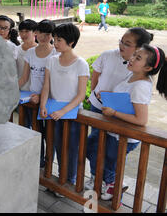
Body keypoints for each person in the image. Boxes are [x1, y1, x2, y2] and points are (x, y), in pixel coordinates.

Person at [89, 44, 167, 201]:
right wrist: (107, 96)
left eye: (138, 58)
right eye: (134, 55)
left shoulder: (141, 86)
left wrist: (114, 112)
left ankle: (114, 188)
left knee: (110, 162)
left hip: (124, 136)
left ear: (148, 67)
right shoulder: (132, 76)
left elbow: (141, 120)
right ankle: (111, 183)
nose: (131, 58)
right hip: (116, 130)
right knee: (93, 148)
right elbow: (125, 98)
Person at [85, 27, 153, 192]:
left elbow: (140, 115)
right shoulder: (121, 63)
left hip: (117, 118)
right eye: (121, 41)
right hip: (103, 107)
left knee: (110, 155)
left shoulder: (138, 74)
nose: (121, 45)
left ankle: (111, 184)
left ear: (140, 49)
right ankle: (102, 179)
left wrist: (114, 111)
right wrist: (97, 94)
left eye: (127, 43)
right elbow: (97, 76)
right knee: (95, 145)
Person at [39, 23, 89, 185]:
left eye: (59, 40)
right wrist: (43, 105)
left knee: (71, 150)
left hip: (72, 114)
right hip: (53, 111)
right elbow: (46, 86)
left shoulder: (81, 64)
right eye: (55, 39)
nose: (55, 43)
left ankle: (69, 180)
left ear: (71, 42)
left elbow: (81, 94)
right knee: (56, 146)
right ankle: (59, 179)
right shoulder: (52, 61)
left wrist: (63, 111)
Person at [18, 20, 58, 168]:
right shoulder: (30, 53)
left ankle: (48, 165)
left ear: (52, 35)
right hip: (32, 99)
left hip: (50, 100)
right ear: (36, 32)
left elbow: (55, 81)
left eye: (47, 34)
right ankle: (39, 163)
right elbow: (24, 77)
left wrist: (42, 97)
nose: (43, 36)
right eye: (40, 32)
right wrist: (10, 90)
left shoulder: (56, 53)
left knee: (50, 135)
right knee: (36, 132)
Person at [16, 19, 40, 92]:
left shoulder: (41, 51)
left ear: (35, 32)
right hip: (19, 90)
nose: (23, 34)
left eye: (27, 31)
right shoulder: (16, 50)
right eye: (21, 31)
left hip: (36, 93)